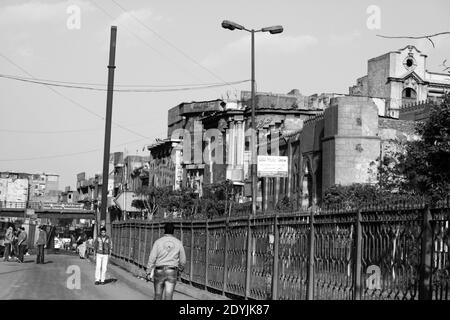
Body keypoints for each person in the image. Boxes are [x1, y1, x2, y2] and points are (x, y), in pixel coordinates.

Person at [146, 222, 186, 300]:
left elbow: (152, 257)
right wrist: (179, 270)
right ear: (173, 231)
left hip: (159, 270)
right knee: (169, 297)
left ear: (164, 230)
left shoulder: (158, 242)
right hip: (172, 271)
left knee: (157, 295)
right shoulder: (178, 243)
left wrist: (148, 271)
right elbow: (183, 260)